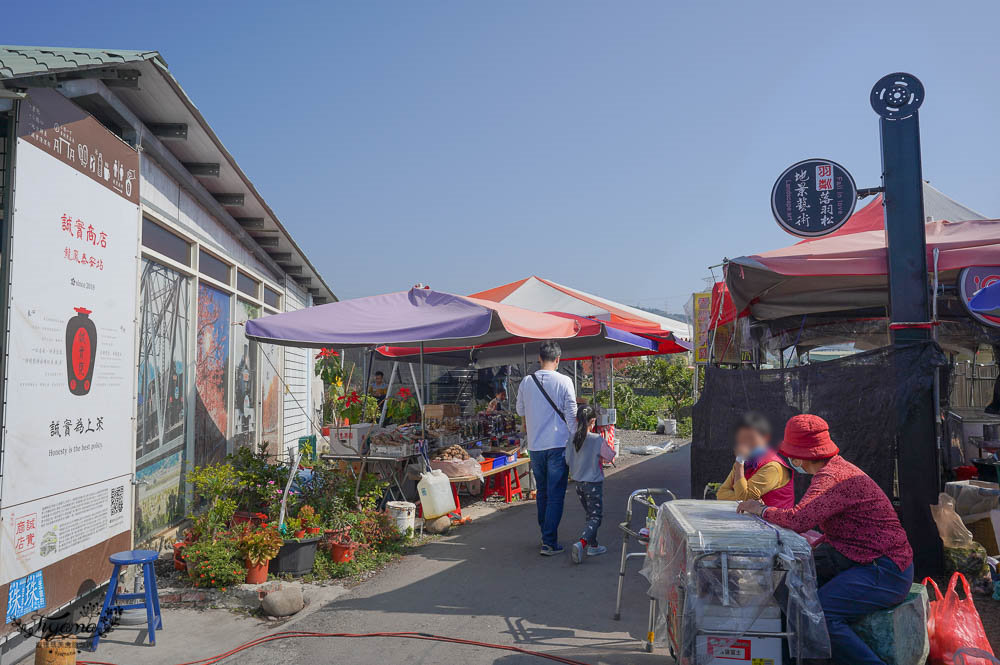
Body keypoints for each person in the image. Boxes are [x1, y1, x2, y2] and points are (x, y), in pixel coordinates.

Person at [737, 414, 914, 665]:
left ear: (798, 456)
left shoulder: (831, 477)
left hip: (884, 567)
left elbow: (798, 520)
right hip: (855, 555)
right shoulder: (836, 469)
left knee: (821, 614)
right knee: (787, 588)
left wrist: (761, 509)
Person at [516, 340, 577, 556]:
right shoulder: (565, 381)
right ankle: (549, 541)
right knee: (555, 494)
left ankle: (546, 534)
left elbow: (520, 410)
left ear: (540, 359)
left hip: (536, 447)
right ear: (558, 360)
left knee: (542, 491)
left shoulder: (526, 381)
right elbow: (571, 414)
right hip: (558, 445)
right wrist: (575, 438)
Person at [565, 404, 616, 564]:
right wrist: (606, 437)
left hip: (579, 483)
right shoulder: (596, 439)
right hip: (593, 482)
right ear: (592, 421)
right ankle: (582, 542)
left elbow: (567, 459)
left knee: (590, 515)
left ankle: (594, 545)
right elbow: (609, 457)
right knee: (596, 517)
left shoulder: (572, 438)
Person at [716, 412, 793, 508]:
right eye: (741, 439)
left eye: (750, 438)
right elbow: (721, 494)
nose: (745, 443)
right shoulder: (743, 461)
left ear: (765, 438)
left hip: (772, 522)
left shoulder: (772, 467)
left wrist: (739, 464)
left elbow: (744, 497)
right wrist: (749, 499)